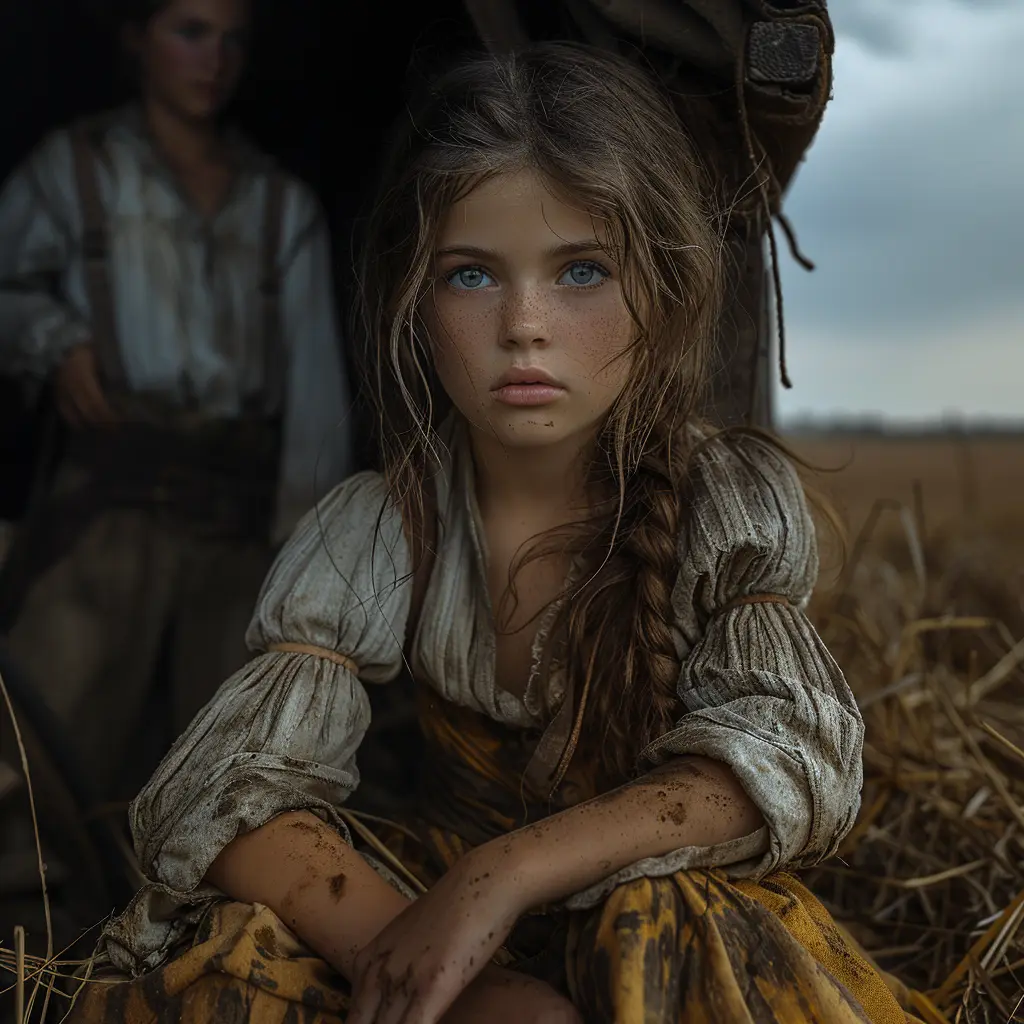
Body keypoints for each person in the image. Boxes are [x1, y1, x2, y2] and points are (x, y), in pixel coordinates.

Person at [74, 43, 915, 1024]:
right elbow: (221, 792)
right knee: (235, 964)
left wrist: (505, 872)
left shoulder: (718, 504)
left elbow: (793, 750)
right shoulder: (382, 523)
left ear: (666, 287)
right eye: (471, 275)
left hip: (645, 880)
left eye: (582, 270)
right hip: (430, 899)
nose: (524, 325)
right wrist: (444, 969)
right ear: (412, 302)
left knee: (662, 921)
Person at [0, 0, 352, 803]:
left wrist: (303, 556)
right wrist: (54, 339)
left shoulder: (279, 204)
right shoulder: (77, 168)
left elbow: (316, 401)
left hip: (237, 523)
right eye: (190, 32)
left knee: (226, 775)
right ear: (136, 39)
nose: (214, 61)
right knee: (40, 755)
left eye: (234, 40)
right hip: (108, 505)